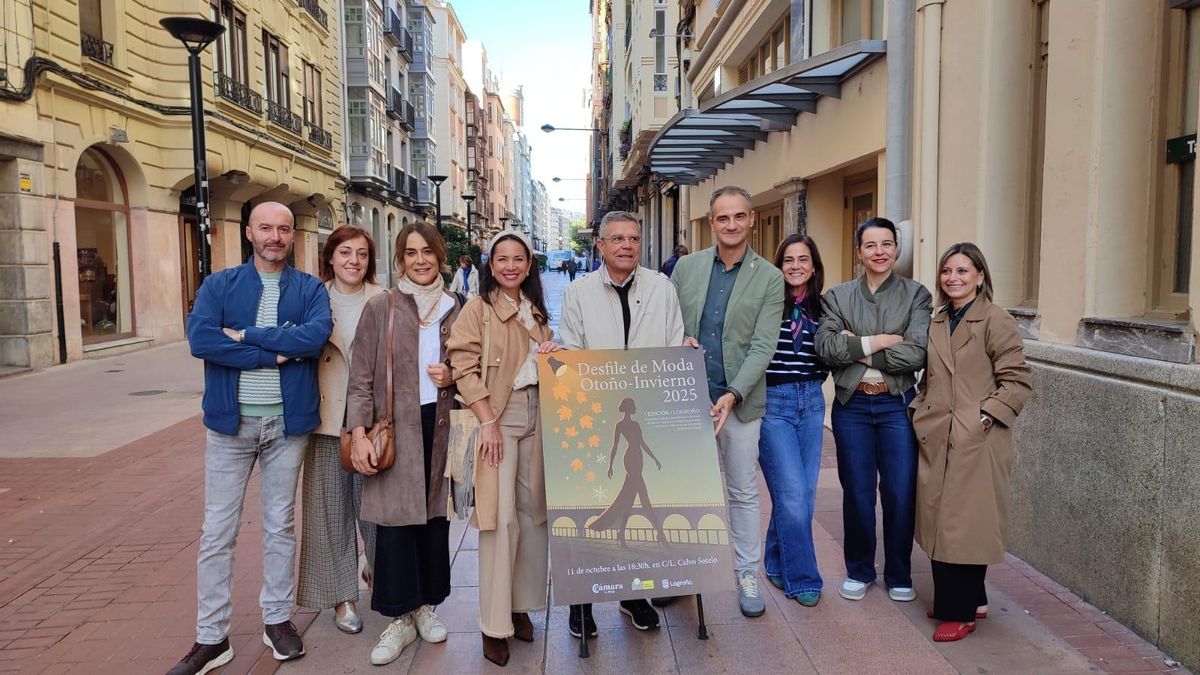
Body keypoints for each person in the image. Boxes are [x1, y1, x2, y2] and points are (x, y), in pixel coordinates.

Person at [170, 202, 331, 675]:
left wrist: (244, 337)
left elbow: (314, 338)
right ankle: (210, 637)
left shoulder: (307, 288)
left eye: (283, 228)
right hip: (230, 424)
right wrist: (269, 355)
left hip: (287, 423)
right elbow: (201, 340)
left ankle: (277, 620)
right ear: (249, 232)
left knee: (279, 525)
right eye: (266, 227)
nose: (275, 236)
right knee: (217, 531)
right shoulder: (219, 285)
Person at [558, 209, 686, 636]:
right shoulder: (578, 292)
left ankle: (635, 595)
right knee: (588, 506)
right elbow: (571, 349)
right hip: (593, 413)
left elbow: (672, 343)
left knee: (635, 517)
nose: (626, 246)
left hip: (649, 410)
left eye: (633, 238)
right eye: (617, 239)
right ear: (600, 244)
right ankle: (582, 603)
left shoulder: (662, 288)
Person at [345, 222, 462, 665]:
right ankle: (399, 617)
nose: (420, 260)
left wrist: (452, 374)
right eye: (410, 252)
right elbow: (360, 377)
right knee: (395, 526)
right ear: (400, 259)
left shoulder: (456, 306)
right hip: (394, 427)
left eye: (427, 251)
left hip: (442, 423)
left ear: (439, 256)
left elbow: (472, 365)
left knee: (433, 520)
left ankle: (426, 607)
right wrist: (358, 433)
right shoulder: (383, 306)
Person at [671, 186, 785, 618]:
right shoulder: (687, 268)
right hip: (687, 399)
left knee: (741, 491)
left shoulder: (770, 278)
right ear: (712, 221)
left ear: (752, 219)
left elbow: (763, 347)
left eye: (739, 216)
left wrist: (733, 394)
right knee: (683, 494)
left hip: (739, 404)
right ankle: (681, 574)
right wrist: (678, 337)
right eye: (723, 218)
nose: (731, 224)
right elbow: (670, 321)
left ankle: (746, 575)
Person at [448, 230, 558, 667]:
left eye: (518, 259)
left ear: (528, 266)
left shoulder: (536, 311)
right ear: (490, 266)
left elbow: (540, 364)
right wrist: (487, 421)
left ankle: (520, 606)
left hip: (538, 417)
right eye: (502, 259)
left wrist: (553, 351)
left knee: (534, 515)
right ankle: (493, 624)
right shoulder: (477, 310)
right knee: (499, 519)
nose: (510, 266)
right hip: (499, 418)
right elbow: (462, 365)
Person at [911, 243, 1031, 642]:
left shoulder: (996, 320)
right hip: (936, 433)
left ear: (980, 276)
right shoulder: (938, 319)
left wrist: (983, 418)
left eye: (963, 271)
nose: (954, 278)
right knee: (939, 519)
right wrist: (919, 409)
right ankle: (970, 599)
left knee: (963, 525)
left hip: (975, 439)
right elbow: (929, 377)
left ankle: (958, 612)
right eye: (947, 271)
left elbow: (1017, 380)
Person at [814, 217, 932, 605]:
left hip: (896, 405)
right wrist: (883, 342)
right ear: (859, 250)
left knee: (899, 491)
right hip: (854, 406)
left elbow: (916, 352)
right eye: (871, 245)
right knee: (858, 491)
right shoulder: (836, 296)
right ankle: (860, 570)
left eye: (886, 244)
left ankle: (898, 573)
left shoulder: (916, 295)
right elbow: (827, 349)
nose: (879, 252)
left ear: (896, 249)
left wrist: (858, 348)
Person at [296, 226, 380, 636]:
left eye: (362, 254)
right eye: (345, 252)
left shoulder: (383, 299)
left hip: (373, 423)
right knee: (329, 512)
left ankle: (377, 567)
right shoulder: (312, 298)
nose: (354, 261)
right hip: (326, 420)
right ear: (330, 257)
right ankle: (342, 595)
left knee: (378, 508)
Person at [759, 234, 828, 607]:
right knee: (793, 495)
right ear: (779, 265)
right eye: (788, 260)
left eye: (803, 259)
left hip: (813, 402)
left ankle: (774, 558)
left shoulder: (826, 307)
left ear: (813, 266)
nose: (796, 266)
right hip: (775, 404)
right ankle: (803, 578)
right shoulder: (769, 304)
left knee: (803, 494)